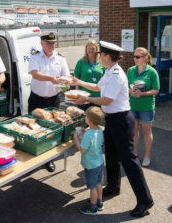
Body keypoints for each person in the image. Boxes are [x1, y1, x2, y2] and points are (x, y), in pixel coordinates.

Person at [73, 41, 154, 218]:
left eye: (101, 54)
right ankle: (113, 186)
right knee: (111, 155)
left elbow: (106, 100)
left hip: (122, 120)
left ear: (108, 57)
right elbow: (97, 88)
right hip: (111, 119)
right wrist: (78, 81)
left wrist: (85, 100)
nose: (99, 56)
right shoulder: (109, 71)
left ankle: (144, 199)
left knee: (129, 161)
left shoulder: (117, 74)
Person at [28, 31, 70, 172]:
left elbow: (66, 76)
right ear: (42, 43)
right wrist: (51, 78)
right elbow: (35, 74)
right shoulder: (35, 57)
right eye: (48, 43)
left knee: (52, 131)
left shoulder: (60, 58)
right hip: (36, 100)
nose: (51, 45)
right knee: (33, 130)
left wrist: (65, 81)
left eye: (52, 43)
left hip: (53, 100)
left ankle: (49, 159)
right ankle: (32, 158)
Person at [127, 47, 159, 167]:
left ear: (145, 58)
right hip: (133, 105)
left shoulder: (152, 72)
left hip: (146, 107)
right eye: (134, 56)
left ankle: (147, 156)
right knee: (134, 131)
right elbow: (125, 86)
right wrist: (131, 92)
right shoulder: (130, 70)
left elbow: (156, 90)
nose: (135, 59)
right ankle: (134, 153)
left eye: (138, 57)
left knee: (146, 131)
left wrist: (142, 93)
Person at [73, 106, 105, 215]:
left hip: (91, 165)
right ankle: (99, 203)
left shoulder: (87, 136)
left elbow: (82, 149)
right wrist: (85, 132)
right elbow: (93, 137)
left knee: (92, 187)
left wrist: (76, 139)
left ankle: (93, 208)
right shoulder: (99, 129)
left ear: (88, 120)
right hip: (100, 162)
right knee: (99, 184)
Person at [74, 40, 106, 111]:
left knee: (96, 119)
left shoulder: (102, 62)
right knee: (83, 119)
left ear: (96, 50)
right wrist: (77, 90)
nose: (91, 50)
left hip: (98, 97)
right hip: (83, 96)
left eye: (93, 48)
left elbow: (106, 77)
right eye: (89, 48)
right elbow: (76, 77)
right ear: (86, 49)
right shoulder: (81, 62)